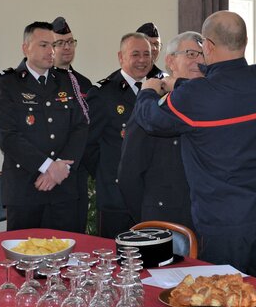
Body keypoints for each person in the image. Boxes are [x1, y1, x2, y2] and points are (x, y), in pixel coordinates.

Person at [133, 11, 256, 277]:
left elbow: (151, 121)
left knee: (224, 298)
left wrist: (149, 90)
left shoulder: (195, 97)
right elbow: (227, 91)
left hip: (224, 221)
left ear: (208, 46)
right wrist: (181, 83)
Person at [0, 21, 88, 232]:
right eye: (44, 45)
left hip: (64, 186)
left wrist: (62, 166)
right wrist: (48, 167)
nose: (51, 51)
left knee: (65, 257)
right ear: (25, 48)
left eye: (54, 45)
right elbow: (8, 135)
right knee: (25, 258)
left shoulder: (67, 80)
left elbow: (81, 127)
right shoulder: (7, 83)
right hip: (26, 189)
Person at [118, 31, 204, 231]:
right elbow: (130, 173)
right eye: (191, 54)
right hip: (165, 218)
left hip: (208, 218)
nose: (199, 61)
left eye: (203, 55)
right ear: (170, 61)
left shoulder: (213, 105)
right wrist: (148, 219)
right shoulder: (154, 107)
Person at [84, 32, 152, 238]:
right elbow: (89, 144)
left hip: (149, 195)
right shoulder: (103, 93)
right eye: (135, 54)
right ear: (121, 57)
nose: (142, 60)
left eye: (147, 54)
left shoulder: (157, 90)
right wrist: (107, 175)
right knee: (115, 260)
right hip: (116, 196)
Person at [52, 16, 92, 233]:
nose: (67, 47)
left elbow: (88, 130)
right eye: (60, 43)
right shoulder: (42, 82)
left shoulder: (83, 84)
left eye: (70, 41)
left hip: (75, 176)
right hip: (46, 173)